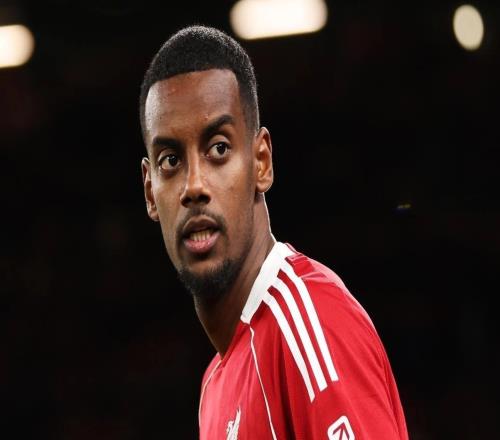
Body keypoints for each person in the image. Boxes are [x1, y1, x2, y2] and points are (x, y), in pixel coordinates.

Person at [139, 25, 408, 440]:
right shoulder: (214, 384)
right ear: (150, 193)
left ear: (261, 162)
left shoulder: (312, 323)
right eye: (170, 160)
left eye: (219, 149)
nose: (193, 186)